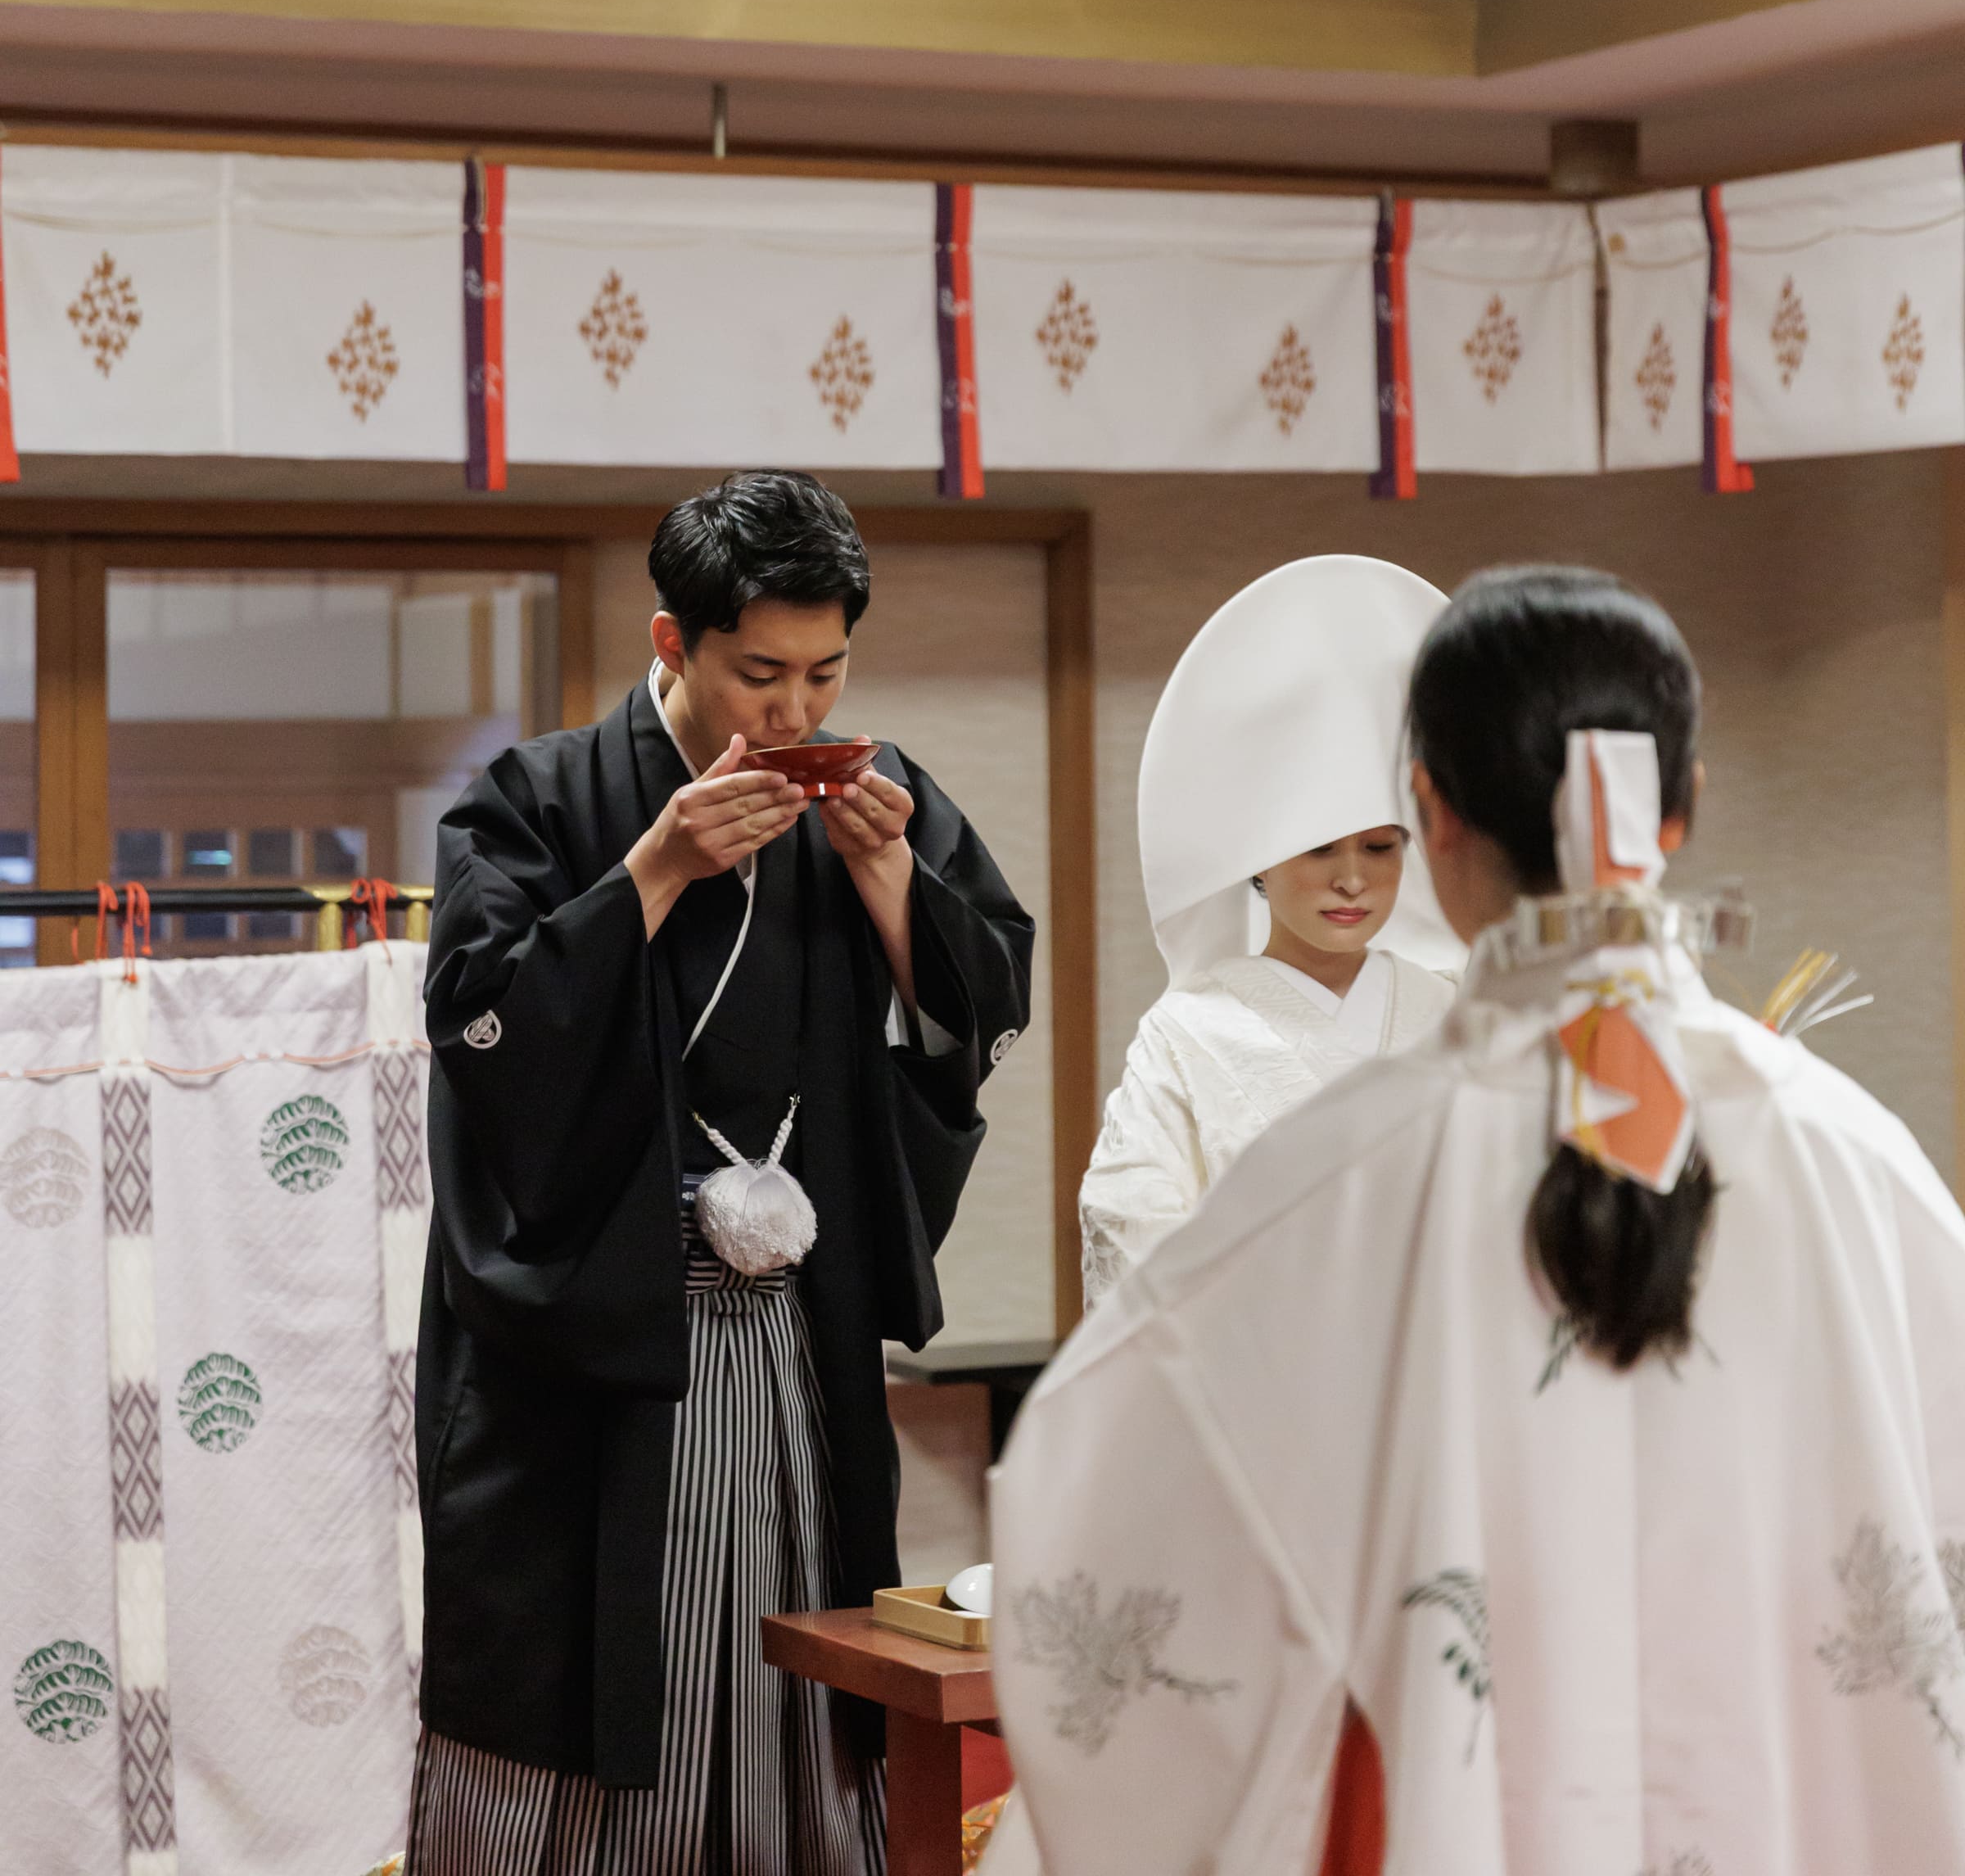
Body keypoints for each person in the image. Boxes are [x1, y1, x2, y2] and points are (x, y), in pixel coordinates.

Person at [990, 566, 1965, 1876]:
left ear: (1431, 817)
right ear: (1682, 808)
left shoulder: (1336, 1180)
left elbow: (1096, 1556)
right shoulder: (1856, 1157)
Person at [406, 472, 1033, 1876]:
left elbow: (982, 1003)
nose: (795, 714)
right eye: (760, 673)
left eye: (825, 673)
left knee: (801, 1675)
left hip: (794, 1340)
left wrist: (889, 891)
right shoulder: (543, 795)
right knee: (598, 1682)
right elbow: (478, 1022)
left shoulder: (881, 798)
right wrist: (652, 869)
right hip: (602, 1345)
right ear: (671, 642)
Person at [1078, 555, 1461, 1305]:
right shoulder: (1187, 1033)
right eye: (1320, 848)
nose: (1352, 878)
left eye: (1379, 848)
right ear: (1257, 862)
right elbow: (1128, 1222)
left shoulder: (1456, 1017)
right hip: (1259, 1373)